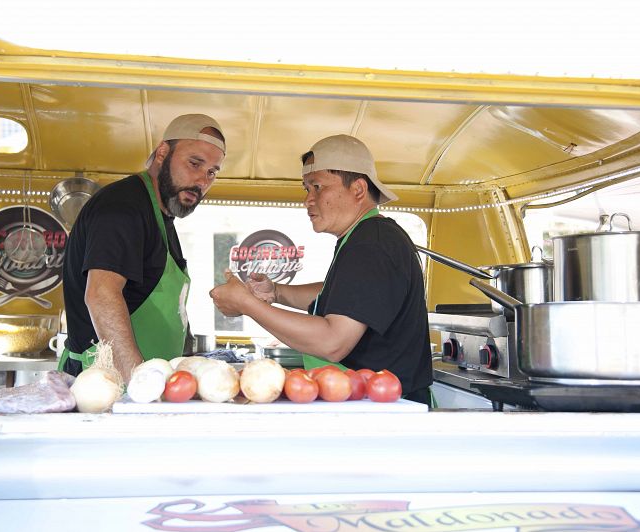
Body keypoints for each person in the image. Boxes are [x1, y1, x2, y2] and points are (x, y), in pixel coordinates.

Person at [210, 134, 432, 404]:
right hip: (368, 403)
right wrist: (276, 292)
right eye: (307, 189)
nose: (308, 200)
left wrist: (247, 305)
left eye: (317, 186)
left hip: (385, 410)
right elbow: (344, 296)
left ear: (358, 190)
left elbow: (333, 342)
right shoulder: (367, 236)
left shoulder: (371, 244)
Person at [60, 114, 226, 381]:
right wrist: (138, 384)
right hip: (107, 386)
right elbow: (101, 295)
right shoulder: (123, 207)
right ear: (163, 153)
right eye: (194, 163)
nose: (202, 181)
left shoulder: (161, 215)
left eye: (211, 172)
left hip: (151, 383)